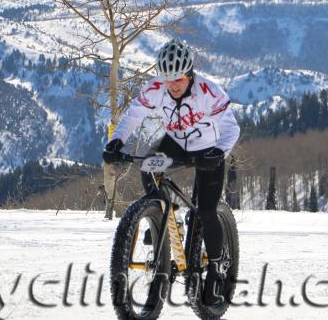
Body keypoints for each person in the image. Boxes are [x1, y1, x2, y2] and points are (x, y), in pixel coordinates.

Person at [102, 38, 241, 304]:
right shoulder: (155, 89)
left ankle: (214, 266)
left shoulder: (210, 92)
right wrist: (116, 142)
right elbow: (132, 115)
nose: (173, 85)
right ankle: (160, 216)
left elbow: (232, 129)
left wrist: (219, 152)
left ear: (190, 74)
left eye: (178, 79)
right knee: (148, 165)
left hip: (208, 149)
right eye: (169, 80)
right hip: (175, 145)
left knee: (207, 211)